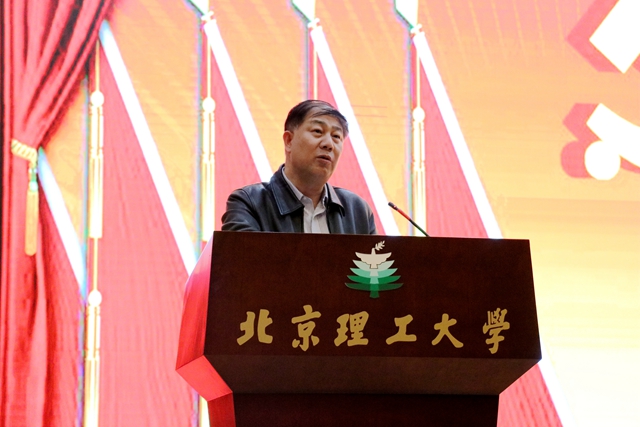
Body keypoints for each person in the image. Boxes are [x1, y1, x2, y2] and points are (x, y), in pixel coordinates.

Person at [221, 99, 376, 234]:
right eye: (318, 131)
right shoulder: (249, 203)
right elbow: (243, 258)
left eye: (336, 136)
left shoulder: (358, 211)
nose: (329, 144)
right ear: (289, 141)